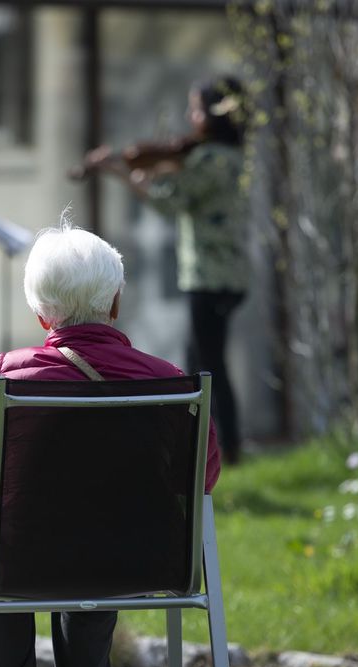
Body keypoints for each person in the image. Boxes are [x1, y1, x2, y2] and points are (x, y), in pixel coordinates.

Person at [0, 222, 221, 667]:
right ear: (114, 303)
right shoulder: (170, 382)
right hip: (133, 561)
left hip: (17, 561)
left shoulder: (9, 378)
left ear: (41, 313)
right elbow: (202, 473)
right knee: (97, 554)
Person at [91, 75, 251, 463]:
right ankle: (205, 447)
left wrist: (123, 173)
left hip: (212, 276)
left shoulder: (211, 158)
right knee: (201, 360)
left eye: (195, 108)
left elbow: (169, 202)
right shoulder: (223, 156)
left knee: (208, 366)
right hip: (221, 274)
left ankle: (227, 450)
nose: (188, 116)